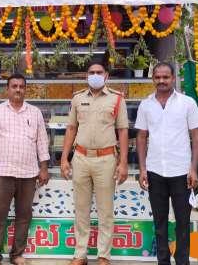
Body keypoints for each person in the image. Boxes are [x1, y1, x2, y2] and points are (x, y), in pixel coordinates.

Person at [60, 62, 129, 265]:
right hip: (80, 158)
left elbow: (123, 131)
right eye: (92, 73)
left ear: (106, 75)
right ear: (86, 75)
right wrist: (65, 158)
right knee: (81, 209)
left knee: (105, 210)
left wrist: (123, 162)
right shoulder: (77, 98)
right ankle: (80, 254)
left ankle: (103, 255)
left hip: (106, 159)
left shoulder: (117, 99)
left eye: (99, 72)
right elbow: (71, 128)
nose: (95, 75)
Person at [135, 62, 198, 265]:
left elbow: (197, 137)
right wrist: (142, 169)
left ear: (173, 78)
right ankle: (162, 261)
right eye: (158, 77)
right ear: (153, 79)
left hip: (182, 173)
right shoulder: (146, 105)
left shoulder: (187, 103)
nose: (162, 81)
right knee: (160, 222)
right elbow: (141, 137)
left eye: (166, 77)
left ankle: (182, 261)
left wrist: (193, 168)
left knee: (183, 222)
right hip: (155, 171)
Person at [0, 74, 50, 265]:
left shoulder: (34, 112)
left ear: (25, 89)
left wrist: (43, 168)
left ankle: (17, 254)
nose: (18, 89)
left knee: (23, 215)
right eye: (14, 86)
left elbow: (42, 142)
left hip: (28, 174)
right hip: (2, 172)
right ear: (7, 89)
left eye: (21, 86)